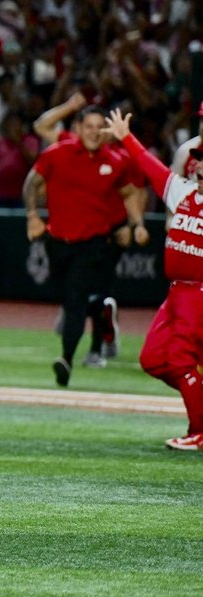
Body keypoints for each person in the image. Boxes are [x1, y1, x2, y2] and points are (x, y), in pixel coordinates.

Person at [102, 108, 203, 450]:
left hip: (199, 294)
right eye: (199, 160)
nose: (199, 165)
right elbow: (151, 168)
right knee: (153, 359)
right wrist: (126, 138)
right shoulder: (185, 193)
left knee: (179, 359)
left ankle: (199, 430)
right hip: (177, 292)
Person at [24, 107, 146, 387]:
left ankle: (67, 358)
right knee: (69, 298)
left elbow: (130, 191)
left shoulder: (116, 161)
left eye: (98, 127)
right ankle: (102, 318)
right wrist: (32, 216)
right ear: (77, 128)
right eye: (88, 126)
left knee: (76, 299)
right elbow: (32, 182)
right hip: (58, 242)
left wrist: (135, 223)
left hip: (94, 243)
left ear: (106, 131)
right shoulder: (57, 153)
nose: (93, 132)